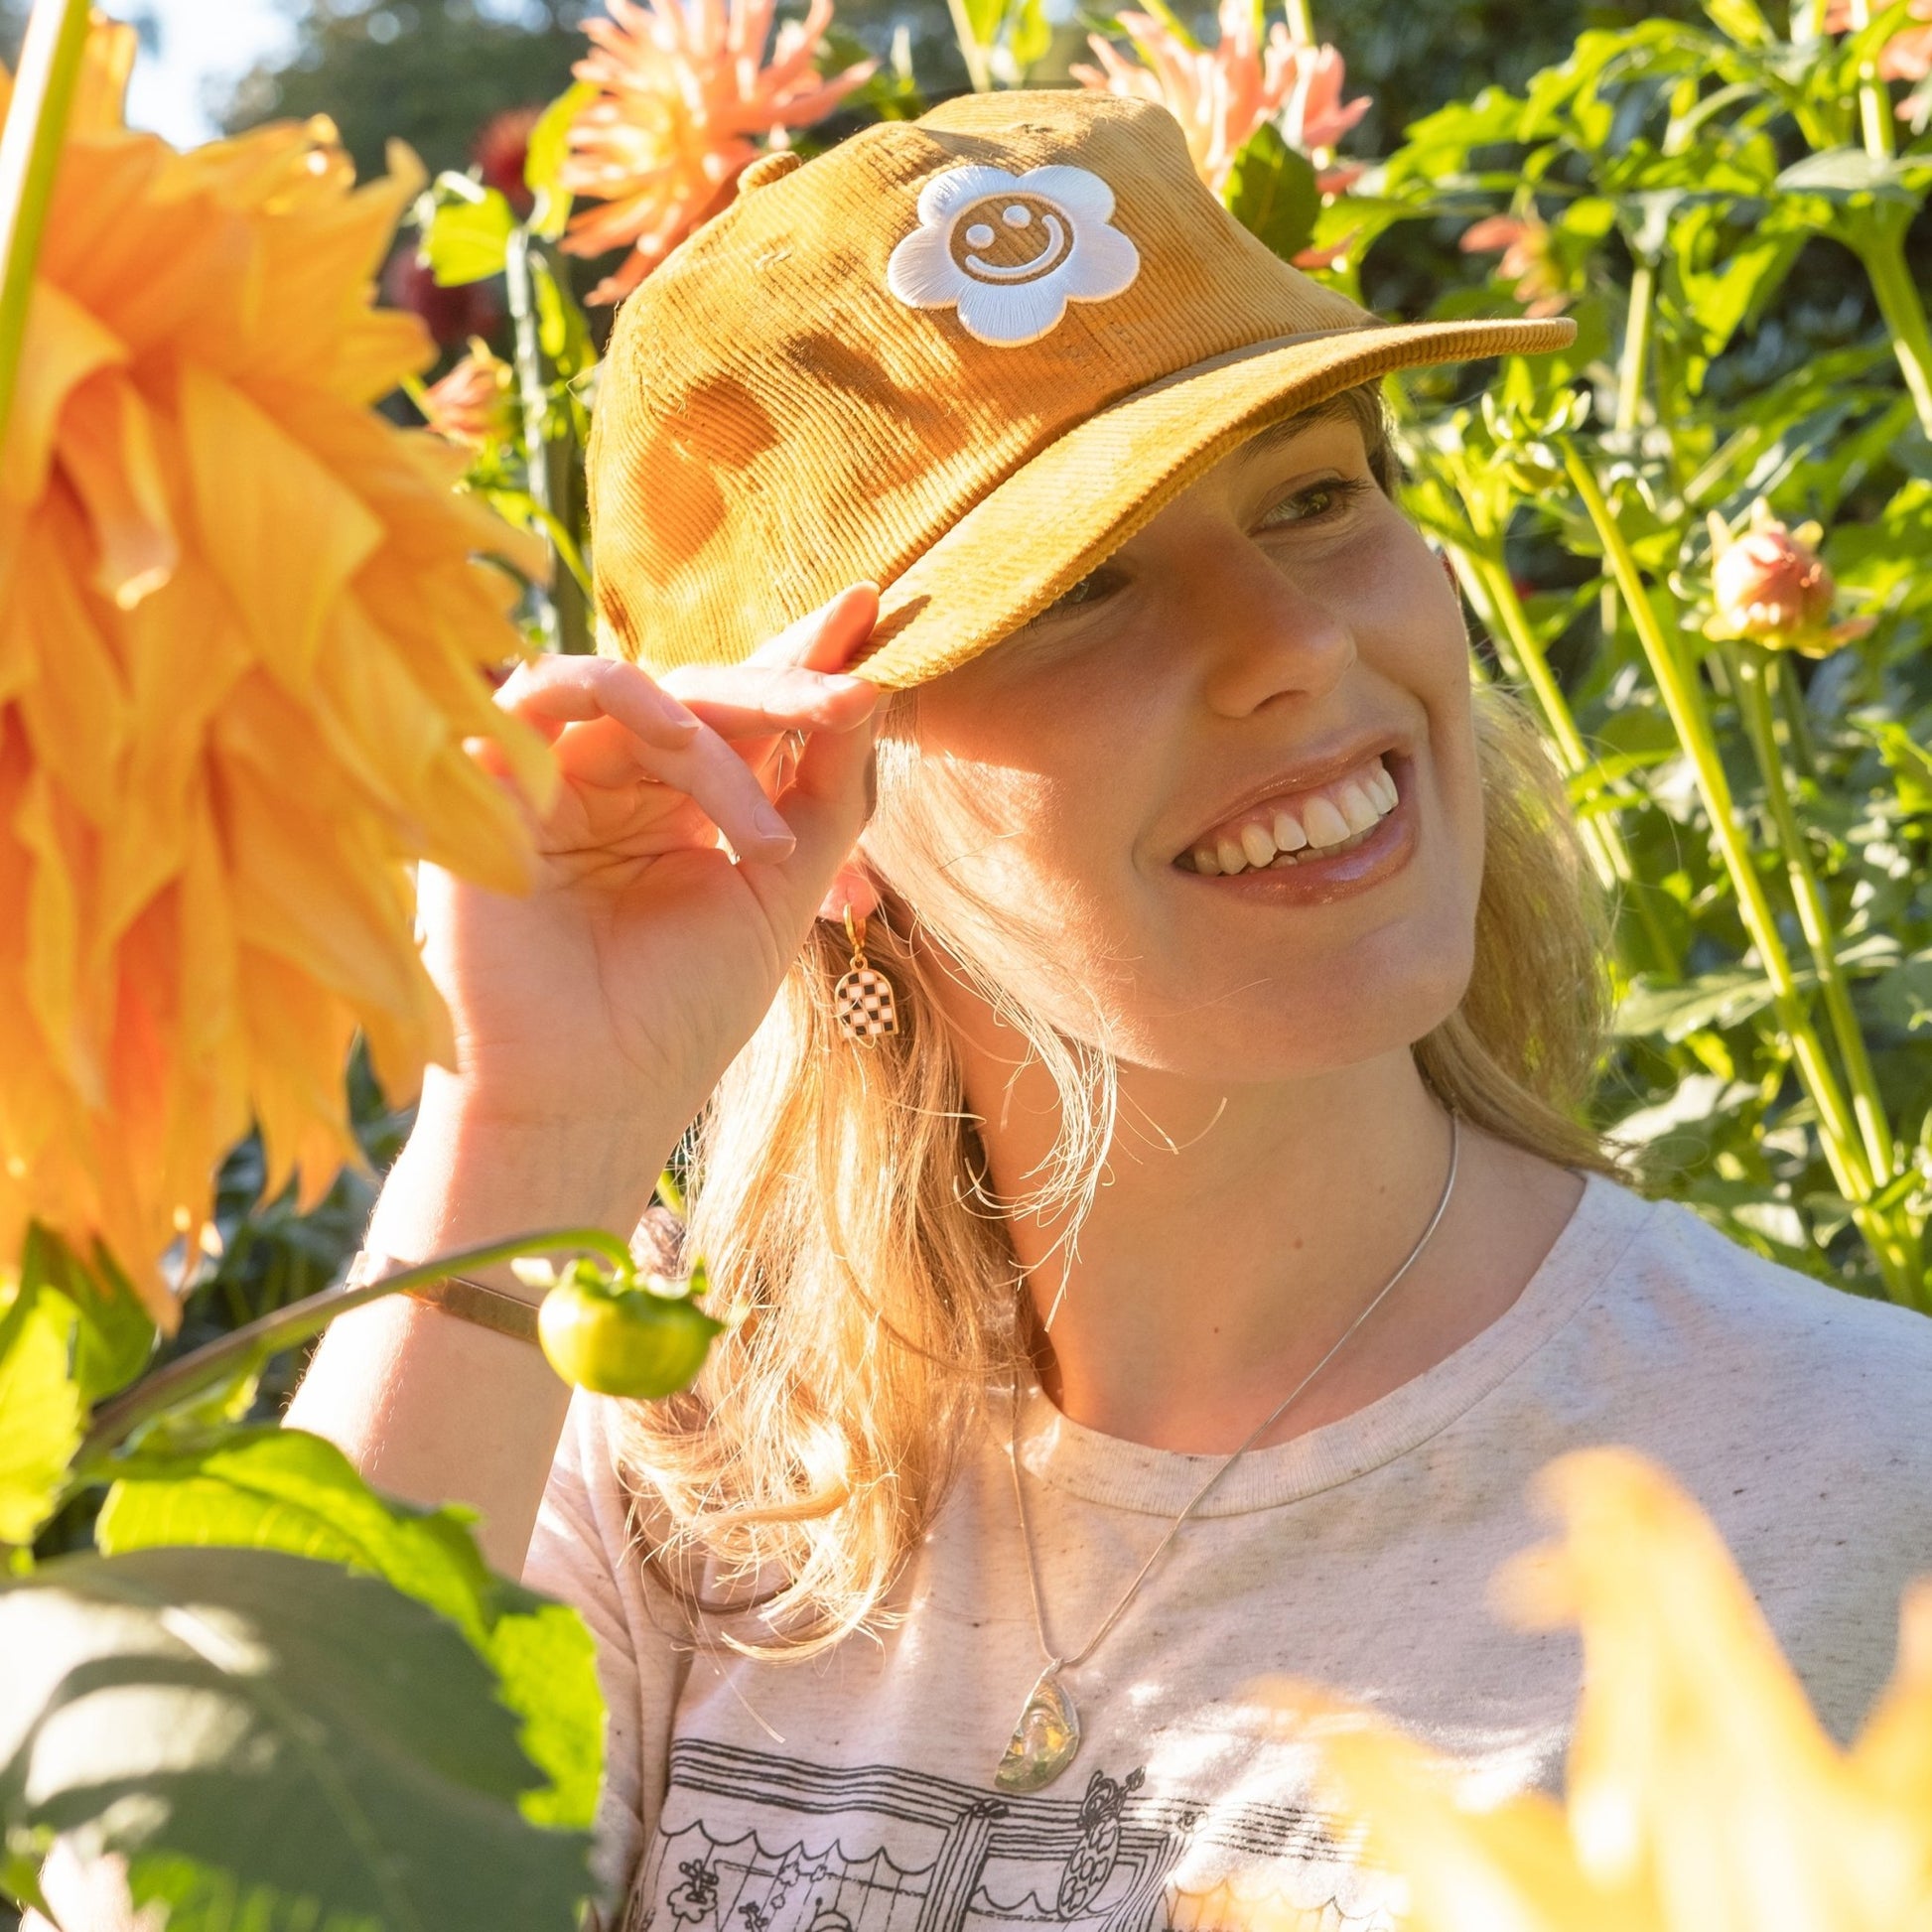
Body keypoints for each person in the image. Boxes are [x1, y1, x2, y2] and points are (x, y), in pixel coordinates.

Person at [290, 90, 1932, 1932]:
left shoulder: (1856, 1493)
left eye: (1315, 493)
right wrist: (527, 1128)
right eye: (1077, 590)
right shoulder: (667, 1469)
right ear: (787, 791)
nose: (1295, 642)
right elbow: (208, 1893)